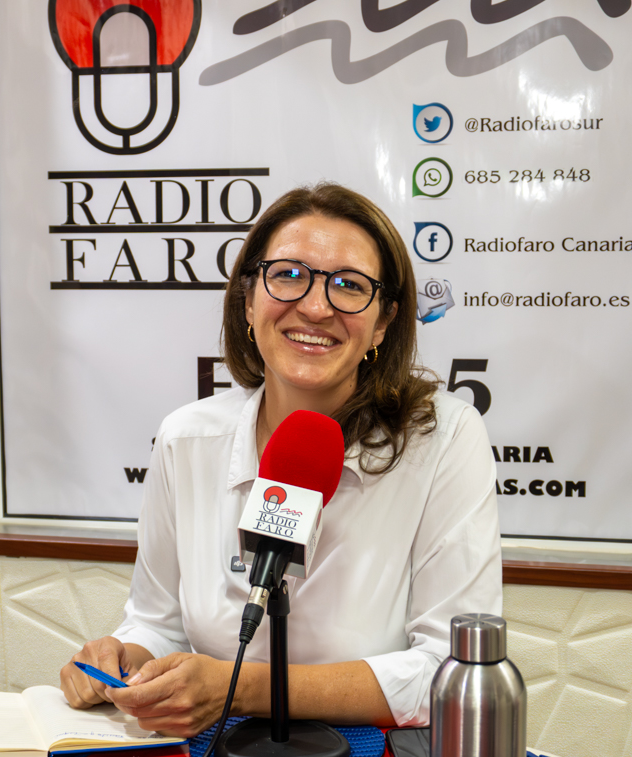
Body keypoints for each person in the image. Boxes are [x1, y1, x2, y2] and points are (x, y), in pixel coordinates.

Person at [58, 183, 501, 737]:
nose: (315, 307)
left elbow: (454, 673)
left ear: (384, 322)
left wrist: (245, 688)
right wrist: (124, 659)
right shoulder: (186, 438)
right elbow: (158, 625)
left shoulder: (443, 439)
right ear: (248, 300)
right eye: (289, 275)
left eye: (349, 285)